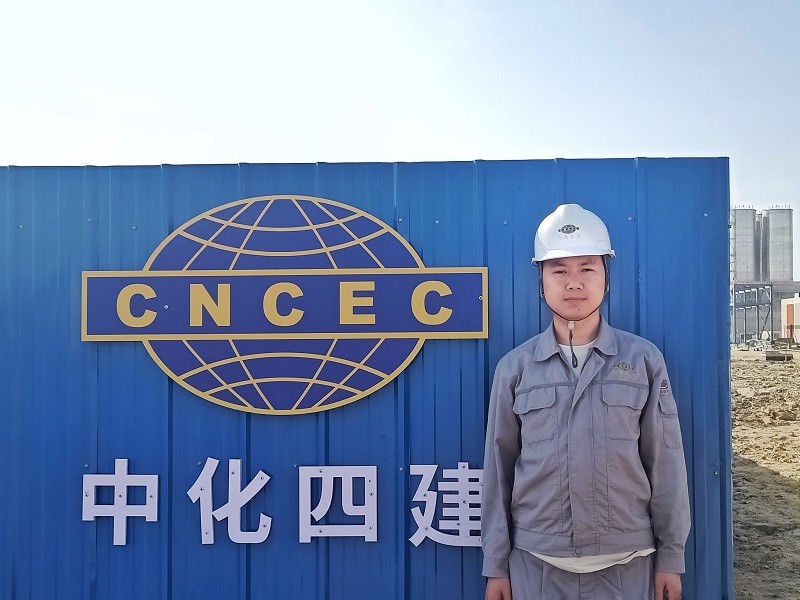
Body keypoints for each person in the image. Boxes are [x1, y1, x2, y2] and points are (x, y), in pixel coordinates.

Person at [481, 204, 691, 600]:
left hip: (628, 564)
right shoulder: (515, 369)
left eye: (587, 268)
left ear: (606, 279)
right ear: (541, 282)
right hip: (537, 564)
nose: (573, 283)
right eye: (559, 270)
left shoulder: (643, 361)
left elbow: (666, 464)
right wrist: (496, 565)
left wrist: (671, 556)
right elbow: (498, 470)